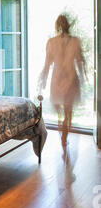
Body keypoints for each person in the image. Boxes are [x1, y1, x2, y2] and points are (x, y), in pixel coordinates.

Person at [39, 14, 85, 149]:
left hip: (60, 78)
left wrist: (44, 79)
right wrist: (82, 77)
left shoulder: (53, 42)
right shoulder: (74, 41)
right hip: (68, 78)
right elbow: (79, 61)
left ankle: (63, 131)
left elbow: (47, 63)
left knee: (62, 109)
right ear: (68, 25)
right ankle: (64, 133)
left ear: (57, 26)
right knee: (67, 110)